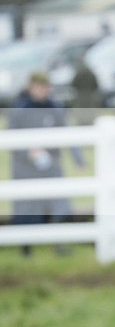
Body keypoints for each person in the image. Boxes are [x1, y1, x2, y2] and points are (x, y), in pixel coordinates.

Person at [8, 73, 85, 257]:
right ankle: (26, 248)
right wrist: (29, 152)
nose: (44, 91)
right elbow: (10, 139)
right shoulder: (20, 110)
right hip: (26, 168)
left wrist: (78, 158)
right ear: (31, 87)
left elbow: (66, 132)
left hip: (50, 166)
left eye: (46, 87)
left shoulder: (55, 108)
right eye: (40, 87)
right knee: (27, 207)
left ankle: (59, 245)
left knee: (57, 205)